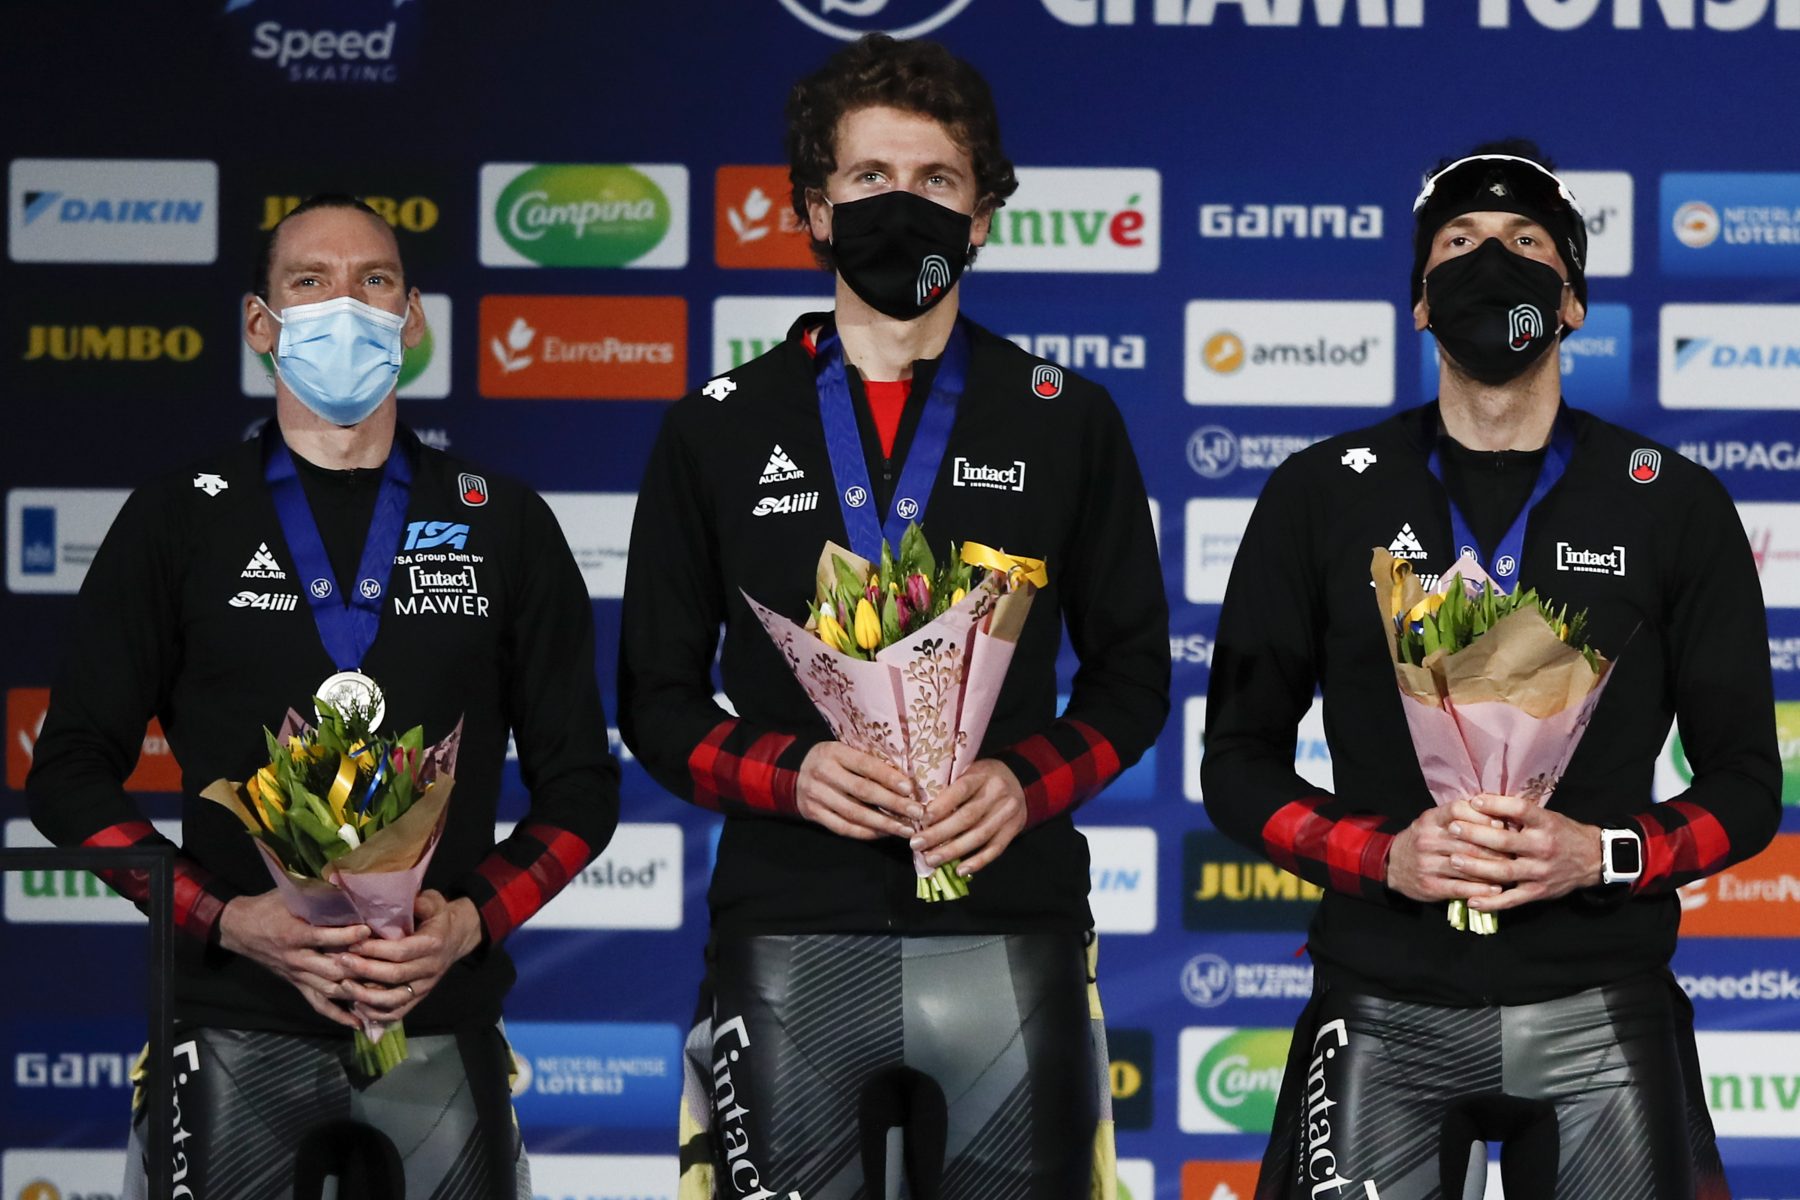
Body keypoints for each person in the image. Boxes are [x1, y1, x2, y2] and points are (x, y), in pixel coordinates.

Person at [618, 34, 1169, 1200]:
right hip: (787, 928)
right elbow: (655, 701)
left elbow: (1132, 682)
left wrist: (1024, 784)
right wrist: (791, 774)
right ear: (816, 212)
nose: (902, 208)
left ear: (982, 218)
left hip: (1013, 926)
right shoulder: (715, 426)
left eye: (937, 182)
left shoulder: (1065, 417)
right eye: (870, 180)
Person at [1202, 141, 1781, 1200]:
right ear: (1420, 305)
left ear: (1571, 302)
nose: (1492, 265)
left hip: (1604, 1002)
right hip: (1380, 996)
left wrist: (1597, 855)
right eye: (1459, 246)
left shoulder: (1673, 503)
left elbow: (1748, 785)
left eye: (1525, 246)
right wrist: (1385, 859)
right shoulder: (1321, 495)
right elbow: (1236, 766)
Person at [27, 194, 620, 1199]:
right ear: (261, 324)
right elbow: (70, 774)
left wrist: (469, 922)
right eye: (311, 282)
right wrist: (228, 919)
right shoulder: (179, 520)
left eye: (374, 282)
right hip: (232, 1032)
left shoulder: (504, 523)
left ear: (413, 318)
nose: (345, 305)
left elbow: (582, 791)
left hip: (442, 1028)